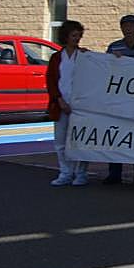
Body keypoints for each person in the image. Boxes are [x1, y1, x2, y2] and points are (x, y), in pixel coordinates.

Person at [103, 14, 134, 185]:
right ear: (121, 28)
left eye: (132, 25)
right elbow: (105, 67)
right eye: (125, 25)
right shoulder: (114, 47)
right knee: (116, 135)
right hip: (120, 98)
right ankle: (115, 173)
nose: (128, 28)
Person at [47, 20, 90, 187]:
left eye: (79, 36)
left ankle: (81, 173)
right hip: (61, 103)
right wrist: (59, 100)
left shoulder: (86, 56)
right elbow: (51, 80)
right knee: (61, 141)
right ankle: (65, 172)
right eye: (74, 35)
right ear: (66, 36)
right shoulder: (56, 57)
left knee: (81, 140)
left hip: (80, 105)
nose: (77, 39)